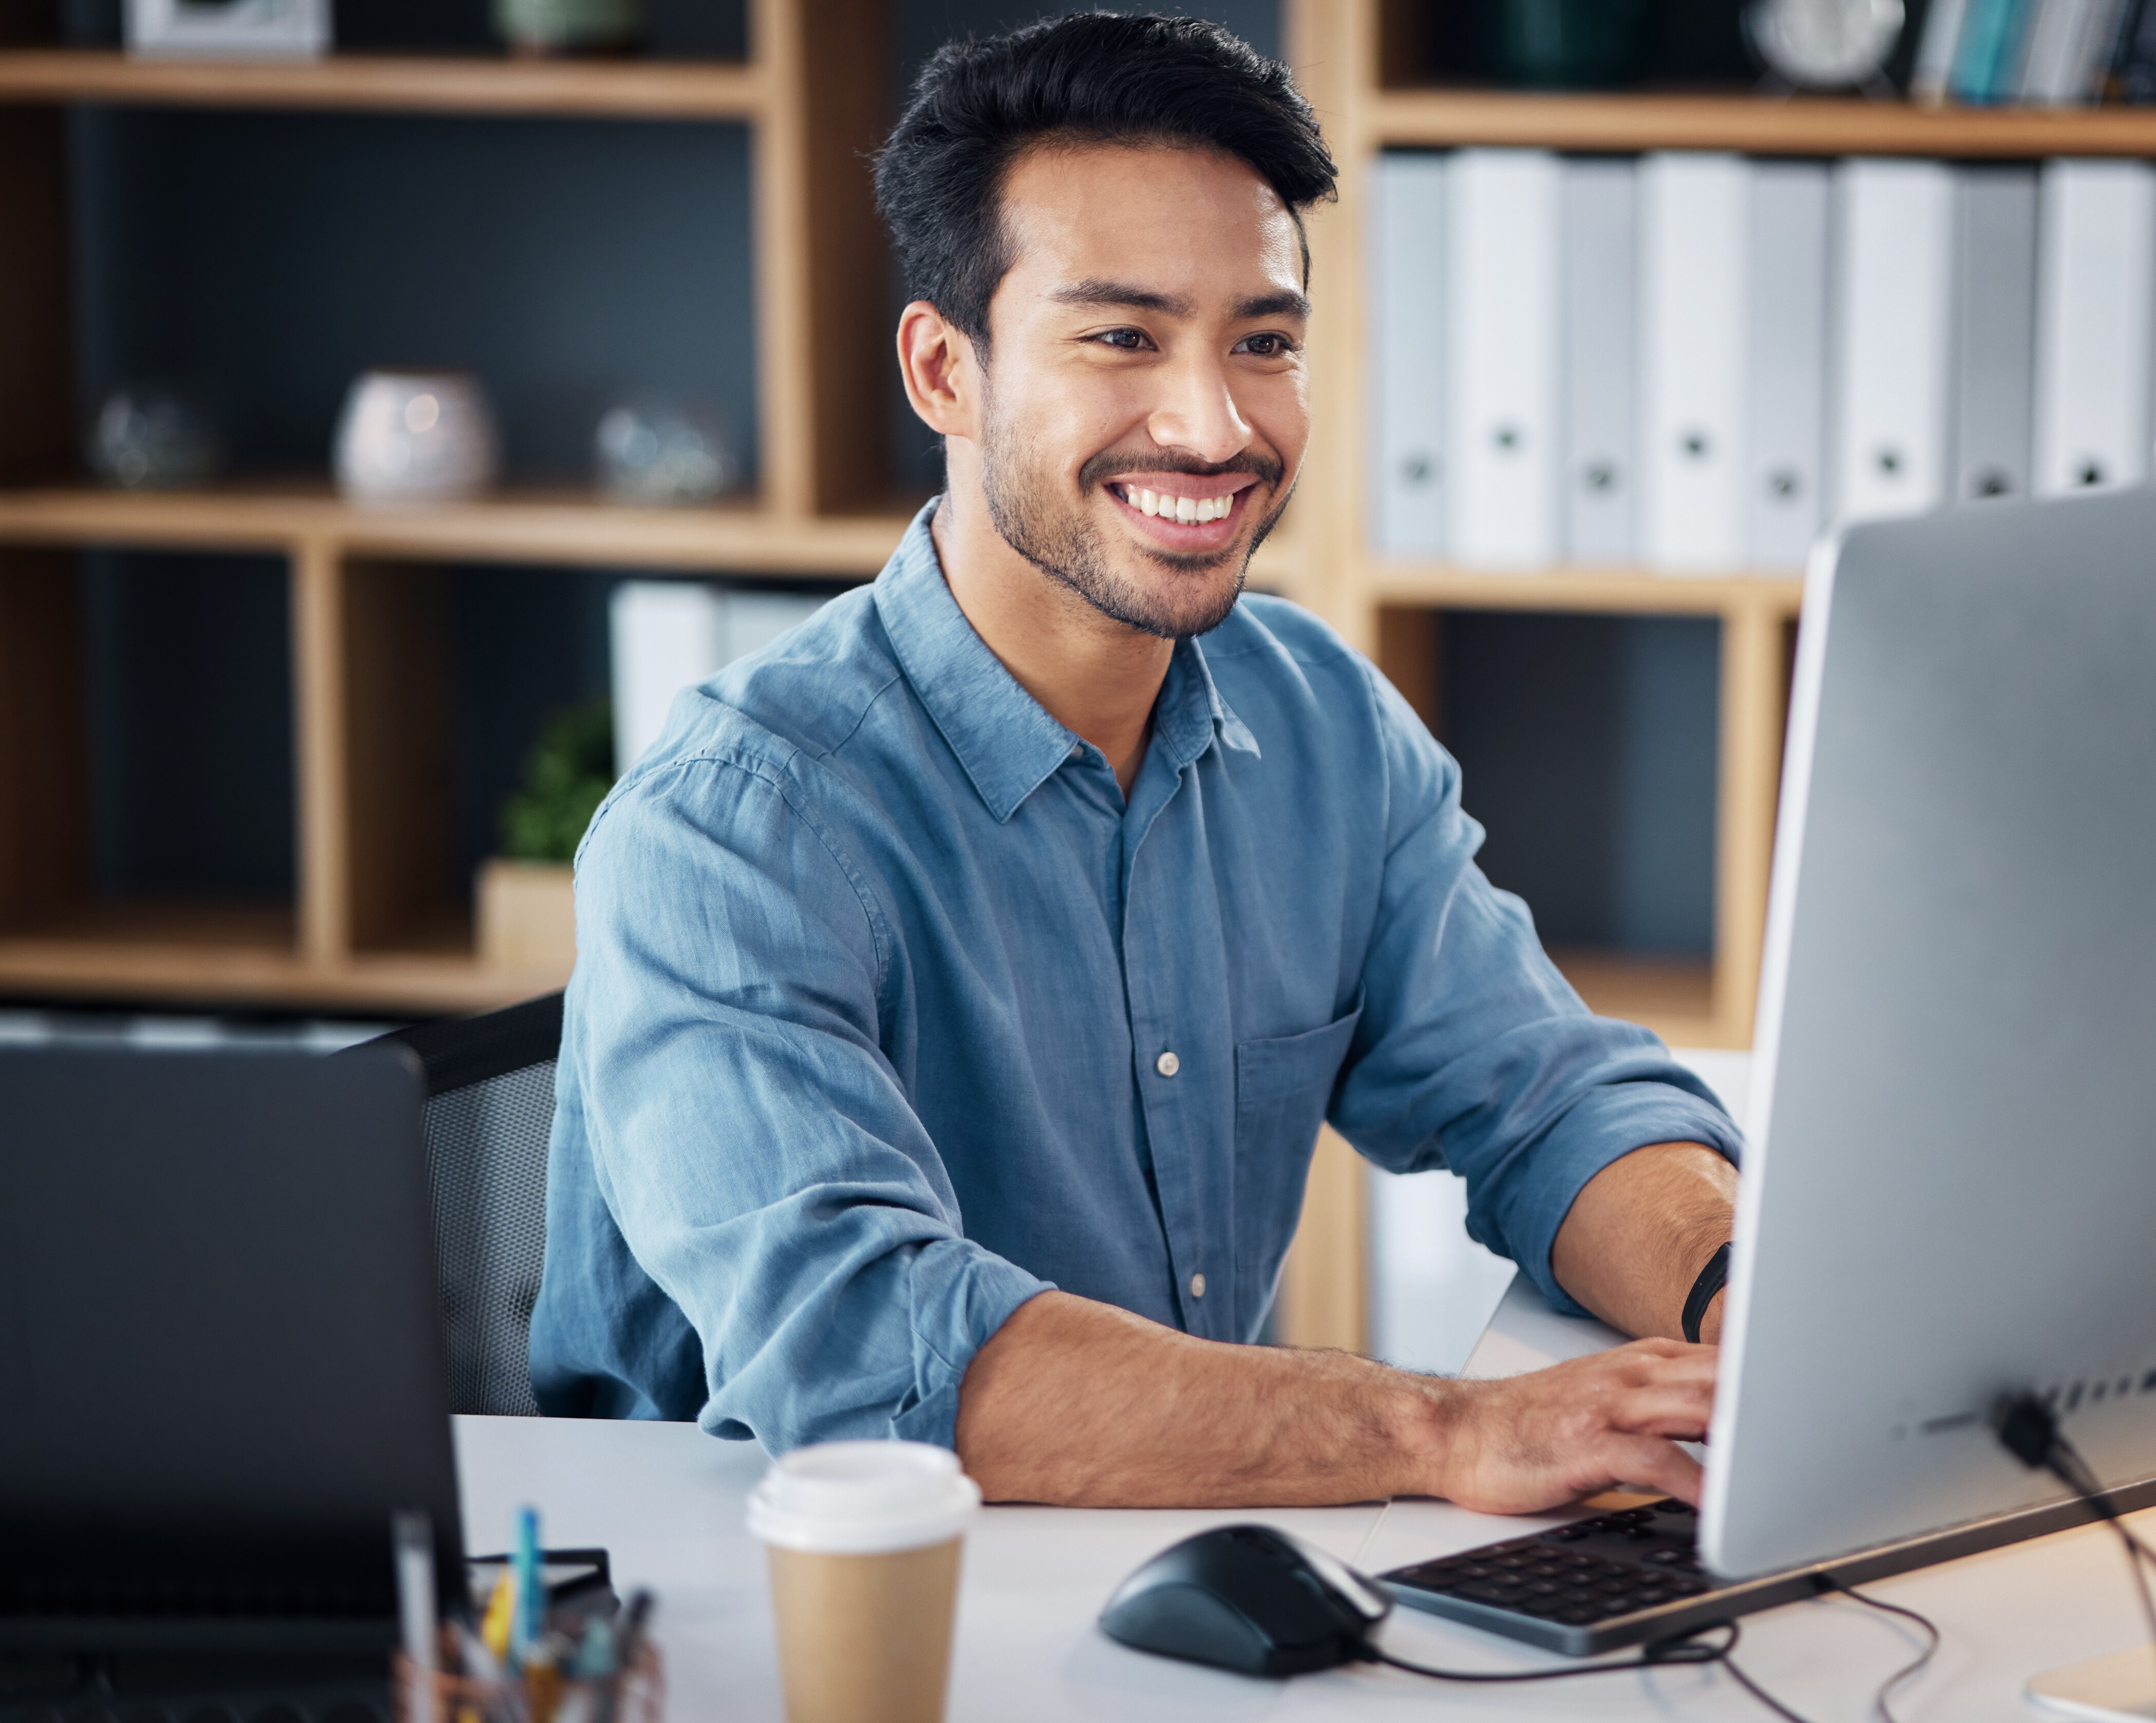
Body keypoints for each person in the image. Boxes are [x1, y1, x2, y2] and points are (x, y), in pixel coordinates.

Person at [531, 12, 1743, 1513]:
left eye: (1264, 342)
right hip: (765, 1616)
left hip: (1154, 1572)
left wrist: (1735, 1298)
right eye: (1122, 336)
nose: (1216, 423)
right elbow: (882, 1361)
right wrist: (1445, 1429)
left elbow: (1556, 1104)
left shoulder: (1316, 726)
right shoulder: (726, 834)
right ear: (943, 372)